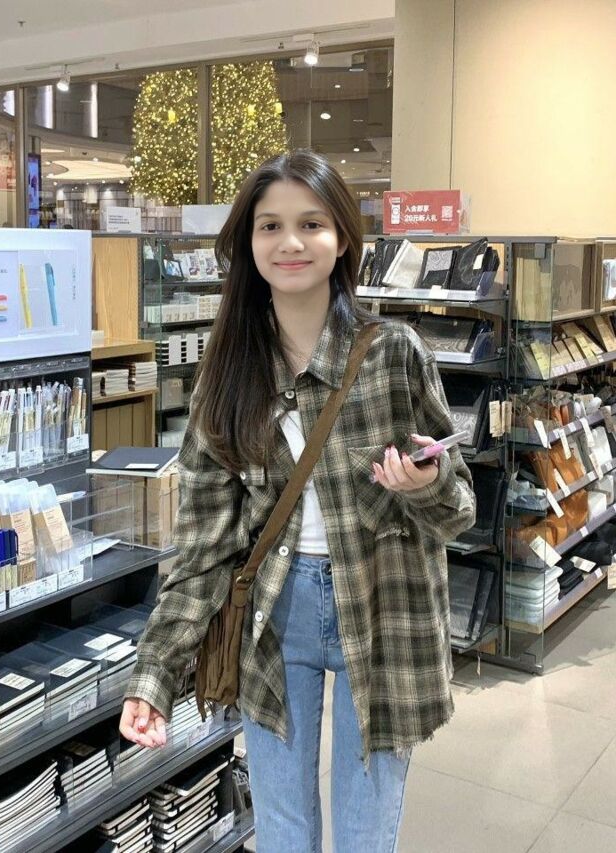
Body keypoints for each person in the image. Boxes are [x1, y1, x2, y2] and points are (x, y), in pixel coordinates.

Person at [120, 149, 475, 852]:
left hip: (385, 609)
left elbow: (459, 505)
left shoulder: (393, 352)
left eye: (311, 223)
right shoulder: (229, 373)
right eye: (270, 225)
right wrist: (153, 674)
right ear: (247, 244)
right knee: (283, 831)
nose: (290, 242)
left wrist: (426, 485)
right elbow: (203, 546)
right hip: (274, 617)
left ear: (341, 238)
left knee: (366, 831)